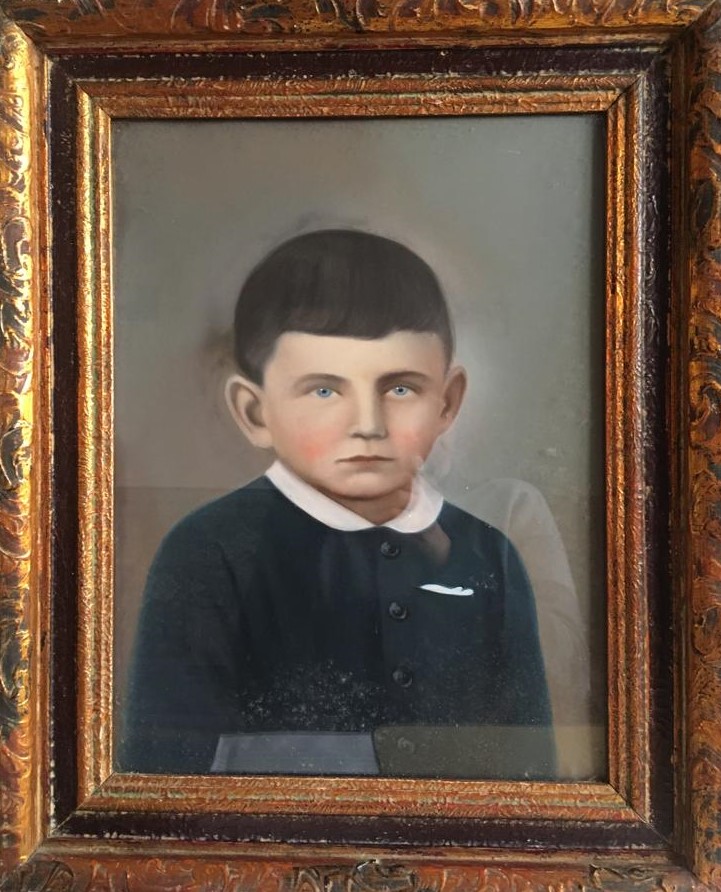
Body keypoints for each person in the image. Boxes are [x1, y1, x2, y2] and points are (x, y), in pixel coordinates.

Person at [120, 229, 556, 778]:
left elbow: (530, 770)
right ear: (254, 412)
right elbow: (162, 777)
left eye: (400, 389)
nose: (368, 425)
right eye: (324, 390)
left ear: (447, 402)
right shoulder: (208, 552)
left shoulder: (489, 554)